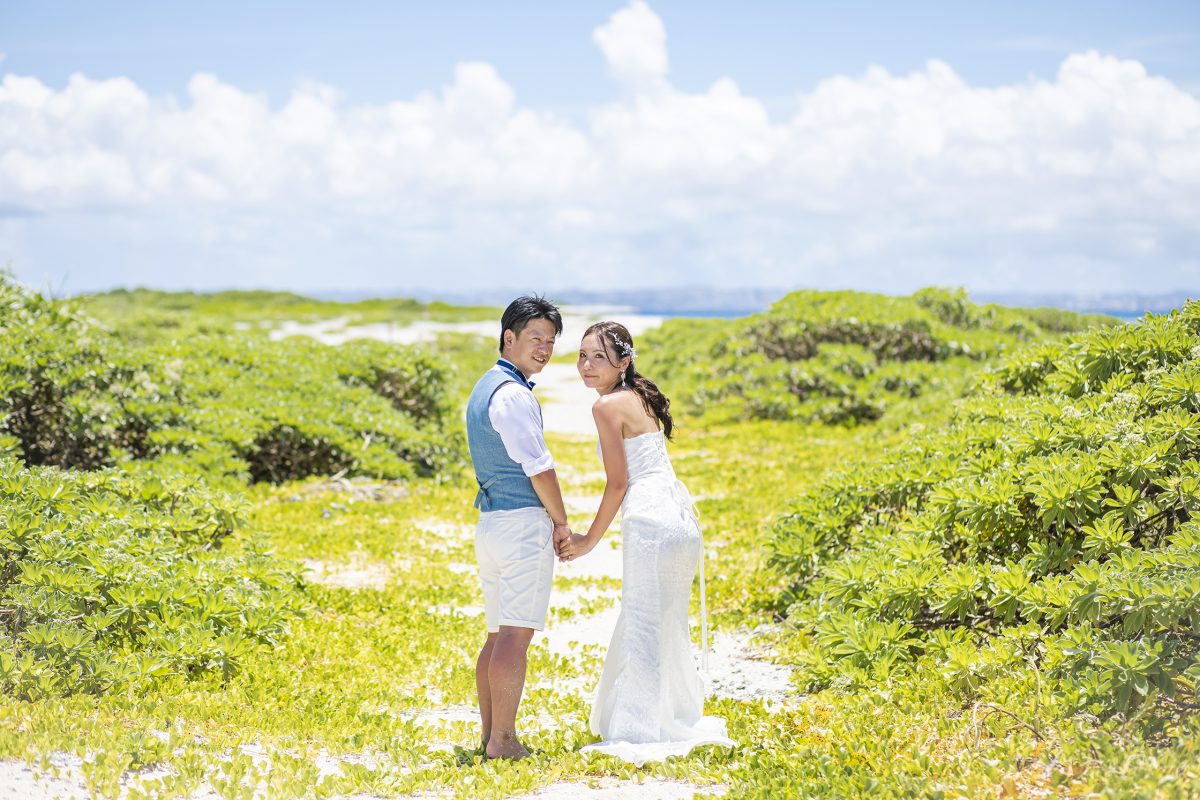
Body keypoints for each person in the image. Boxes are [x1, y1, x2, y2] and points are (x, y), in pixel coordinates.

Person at [556, 321, 734, 765]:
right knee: (665, 620)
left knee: (643, 621)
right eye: (582, 356)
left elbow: (618, 484)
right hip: (678, 519)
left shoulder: (607, 407)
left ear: (624, 361)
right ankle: (671, 715)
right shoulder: (639, 396)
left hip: (652, 522)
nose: (587, 366)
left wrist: (587, 541)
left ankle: (639, 727)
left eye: (599, 356)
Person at [466, 295, 571, 760]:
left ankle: (492, 735)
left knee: (496, 634)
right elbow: (539, 469)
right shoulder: (513, 395)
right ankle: (504, 741)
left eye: (550, 341)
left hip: (491, 524)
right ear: (509, 337)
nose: (544, 348)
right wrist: (562, 522)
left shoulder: (486, 386)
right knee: (514, 636)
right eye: (535, 338)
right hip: (521, 525)